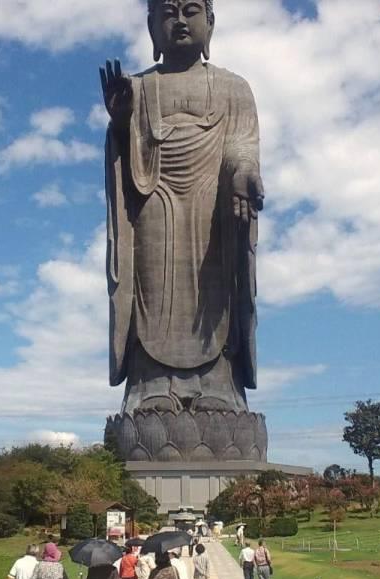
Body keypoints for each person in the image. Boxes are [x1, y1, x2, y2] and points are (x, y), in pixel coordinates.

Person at [103, 0, 265, 416]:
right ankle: (149, 386)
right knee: (152, 289)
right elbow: (124, 156)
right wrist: (121, 123)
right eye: (168, 13)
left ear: (210, 22)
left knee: (215, 291)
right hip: (154, 199)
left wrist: (245, 171)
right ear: (151, 26)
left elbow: (241, 145)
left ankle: (220, 387)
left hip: (212, 201)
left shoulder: (234, 88)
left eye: (190, 11)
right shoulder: (138, 88)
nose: (178, 22)